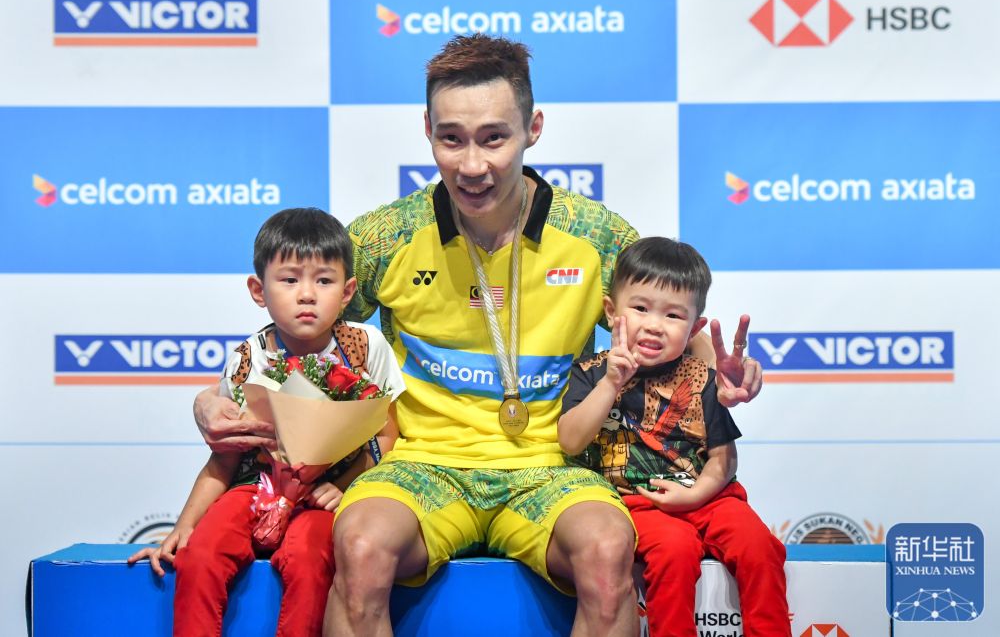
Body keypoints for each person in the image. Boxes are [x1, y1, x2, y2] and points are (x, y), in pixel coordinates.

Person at [193, 34, 762, 636]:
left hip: (553, 466)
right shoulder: (387, 236)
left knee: (607, 549)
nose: (471, 165)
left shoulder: (592, 234)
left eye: (494, 138)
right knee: (359, 546)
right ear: (427, 130)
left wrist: (718, 380)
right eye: (451, 139)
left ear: (533, 129)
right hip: (421, 464)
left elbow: (672, 325)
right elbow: (296, 324)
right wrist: (210, 398)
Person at [130, 208, 405, 637]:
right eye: (289, 280)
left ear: (348, 291)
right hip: (251, 488)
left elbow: (387, 435)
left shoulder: (367, 347)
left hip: (324, 499)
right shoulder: (247, 357)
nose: (307, 294)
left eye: (324, 281)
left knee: (310, 561)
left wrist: (345, 484)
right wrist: (184, 527)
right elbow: (223, 459)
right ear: (259, 291)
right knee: (200, 553)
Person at [559, 237, 789, 637]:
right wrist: (611, 384)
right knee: (674, 552)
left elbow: (724, 459)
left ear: (695, 328)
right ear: (611, 312)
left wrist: (696, 495)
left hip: (712, 498)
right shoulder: (591, 373)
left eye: (673, 315)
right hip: (638, 504)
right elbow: (570, 440)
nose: (654, 325)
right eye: (640, 308)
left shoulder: (703, 377)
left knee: (759, 546)